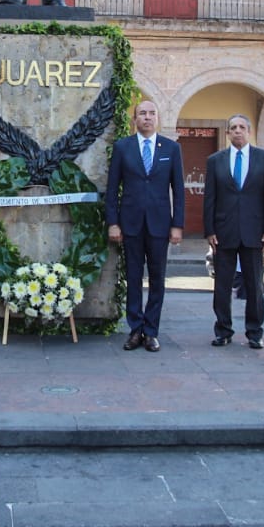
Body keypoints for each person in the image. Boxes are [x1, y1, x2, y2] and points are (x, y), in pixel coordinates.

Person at [105, 99, 184, 353]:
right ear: (135, 119)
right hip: (130, 224)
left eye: (151, 113)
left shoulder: (171, 149)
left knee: (158, 279)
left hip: (161, 225)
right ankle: (135, 329)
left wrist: (177, 225)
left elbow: (179, 190)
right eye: (142, 113)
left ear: (157, 118)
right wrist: (113, 223)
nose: (147, 117)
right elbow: (111, 188)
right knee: (133, 278)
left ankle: (151, 332)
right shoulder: (123, 147)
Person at [203, 114, 264, 349]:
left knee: (254, 284)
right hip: (224, 231)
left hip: (254, 231)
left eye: (242, 127)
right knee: (222, 284)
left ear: (249, 131)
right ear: (227, 133)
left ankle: (254, 332)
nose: (237, 131)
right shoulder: (216, 160)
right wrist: (209, 230)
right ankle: (223, 330)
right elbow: (210, 197)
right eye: (232, 128)